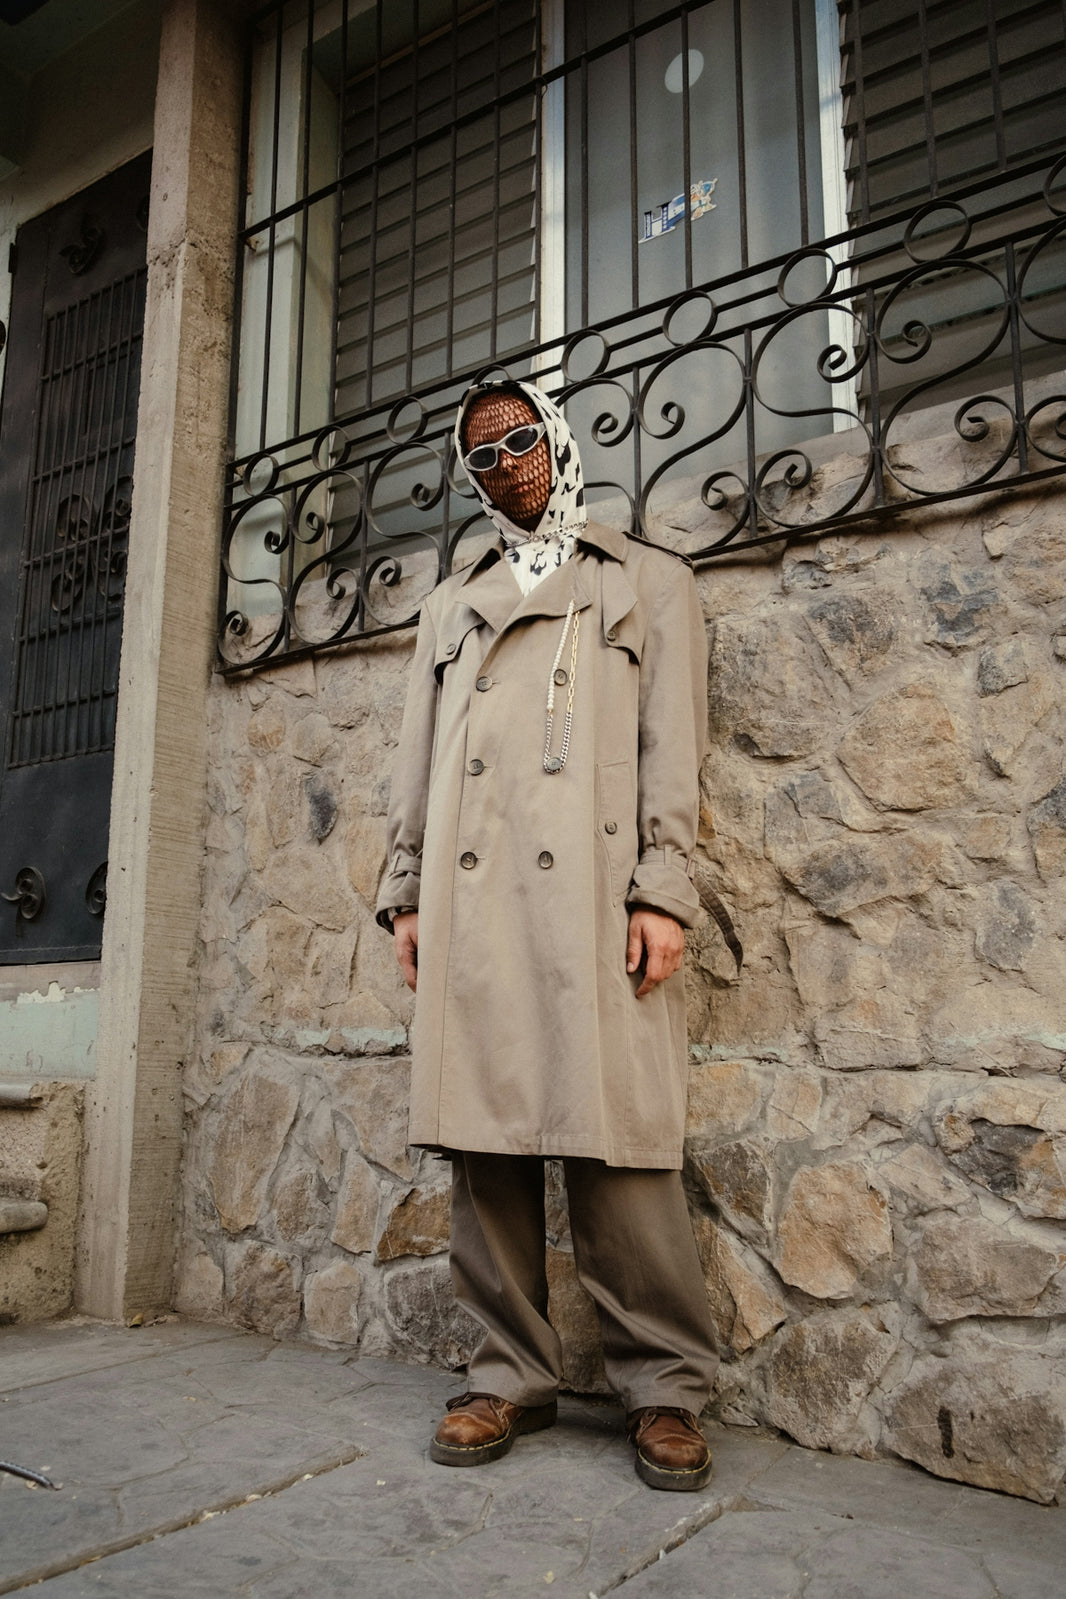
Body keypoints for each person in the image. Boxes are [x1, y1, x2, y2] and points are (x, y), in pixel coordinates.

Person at [376, 378, 718, 1491]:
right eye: (481, 455)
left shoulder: (647, 580)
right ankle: (506, 1374)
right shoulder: (450, 604)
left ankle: (664, 1386)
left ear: (559, 441)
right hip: (474, 896)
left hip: (595, 894)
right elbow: (418, 761)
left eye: (522, 438)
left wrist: (663, 887)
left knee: (620, 1140)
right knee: (484, 1140)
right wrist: (407, 893)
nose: (507, 463)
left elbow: (674, 748)